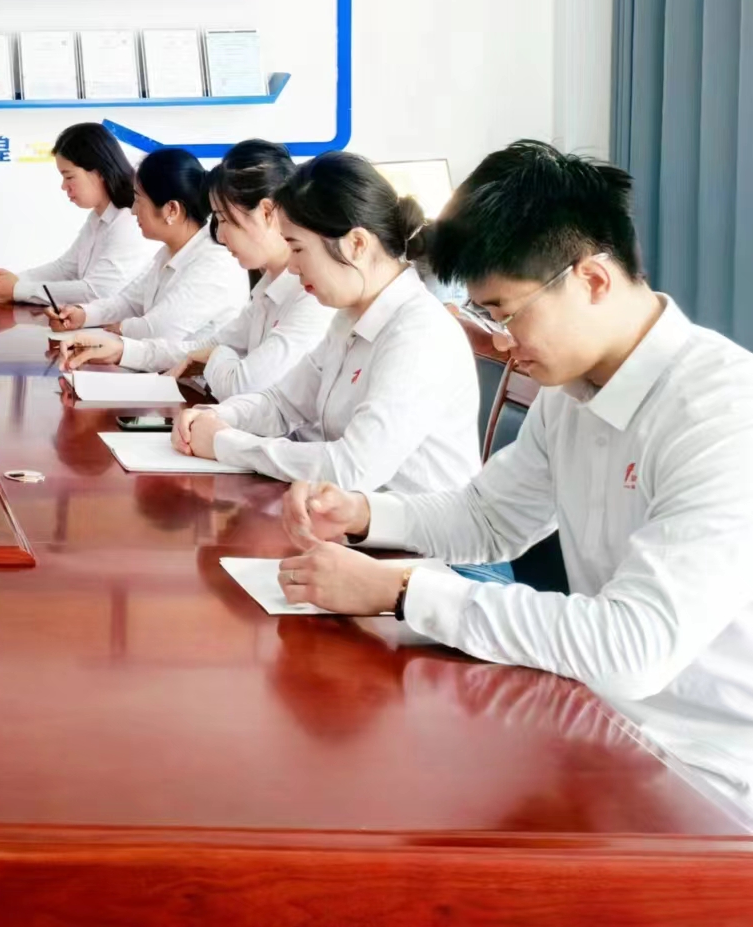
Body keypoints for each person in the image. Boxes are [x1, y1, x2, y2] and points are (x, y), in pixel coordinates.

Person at [275, 141, 753, 812]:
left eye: (505, 313)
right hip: (601, 723)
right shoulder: (572, 390)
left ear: (592, 280)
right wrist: (361, 514)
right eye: (486, 316)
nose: (500, 343)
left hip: (710, 778)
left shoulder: (721, 415)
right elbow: (490, 518)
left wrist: (403, 589)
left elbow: (633, 647)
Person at [173, 151, 481, 495]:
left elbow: (352, 468)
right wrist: (216, 417)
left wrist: (225, 443)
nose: (292, 268)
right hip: (347, 516)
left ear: (356, 244)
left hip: (403, 526)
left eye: (298, 249)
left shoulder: (420, 334)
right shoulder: (349, 317)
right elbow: (282, 404)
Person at [64, 139, 335, 398]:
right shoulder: (267, 289)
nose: (221, 236)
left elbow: (243, 383)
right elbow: (205, 347)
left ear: (266, 212)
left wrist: (215, 356)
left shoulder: (311, 296)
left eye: (224, 219)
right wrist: (121, 350)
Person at [48, 147, 248, 363]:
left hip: (192, 379)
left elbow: (158, 330)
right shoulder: (169, 251)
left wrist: (119, 328)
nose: (133, 210)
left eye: (138, 199)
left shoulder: (214, 262)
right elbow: (129, 302)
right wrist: (83, 314)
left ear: (172, 210)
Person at [0, 123, 150, 308]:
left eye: (69, 177)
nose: (63, 186)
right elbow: (66, 269)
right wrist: (10, 281)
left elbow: (97, 292)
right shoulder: (98, 217)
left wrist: (17, 289)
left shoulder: (128, 220)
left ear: (99, 172)